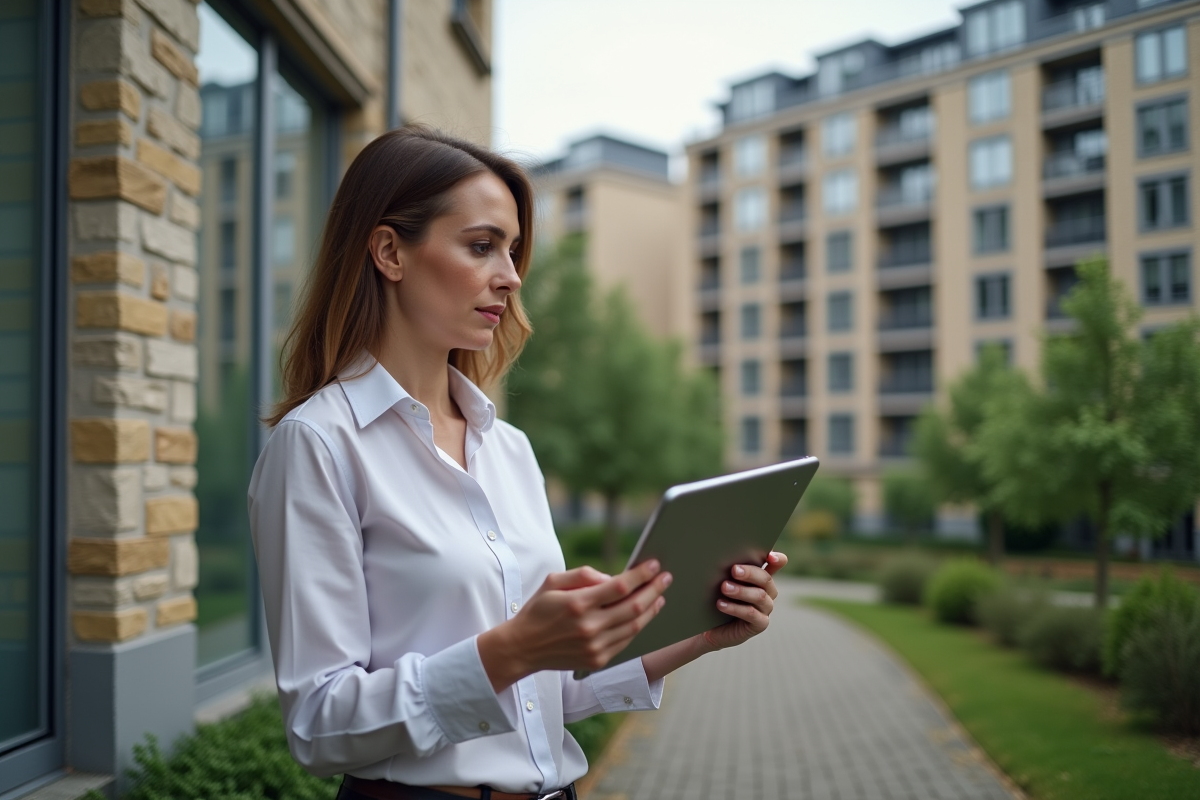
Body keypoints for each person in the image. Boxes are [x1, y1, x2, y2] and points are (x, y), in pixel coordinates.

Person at [248, 126, 788, 800]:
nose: (510, 276)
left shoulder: (509, 449)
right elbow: (320, 727)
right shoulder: (319, 445)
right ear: (389, 251)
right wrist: (512, 650)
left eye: (512, 250)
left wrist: (700, 632)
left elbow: (548, 692)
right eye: (481, 247)